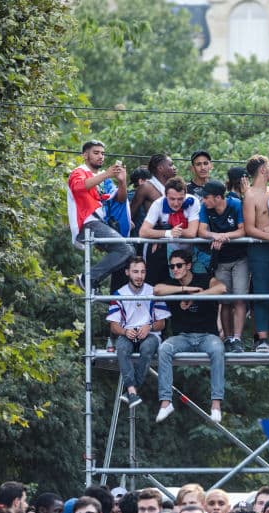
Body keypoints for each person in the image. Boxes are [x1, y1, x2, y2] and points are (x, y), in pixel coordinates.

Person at [153, 249, 227, 424]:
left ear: (188, 266)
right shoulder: (172, 284)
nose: (175, 269)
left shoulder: (203, 279)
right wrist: (185, 289)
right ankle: (165, 402)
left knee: (218, 349)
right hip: (183, 337)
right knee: (164, 348)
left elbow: (222, 288)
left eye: (179, 265)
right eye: (172, 266)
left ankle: (216, 404)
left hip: (207, 336)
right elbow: (157, 290)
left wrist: (197, 296)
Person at [66, 140, 135, 291]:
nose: (101, 157)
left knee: (130, 252)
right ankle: (88, 279)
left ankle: (91, 281)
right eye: (96, 153)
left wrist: (122, 182)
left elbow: (120, 199)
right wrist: (106, 174)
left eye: (103, 153)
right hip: (87, 223)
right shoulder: (78, 171)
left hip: (100, 224)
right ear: (85, 155)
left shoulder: (105, 179)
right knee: (126, 249)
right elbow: (79, 187)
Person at [107, 257, 170, 408]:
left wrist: (149, 327)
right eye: (135, 272)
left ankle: (131, 391)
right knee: (121, 349)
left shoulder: (154, 292)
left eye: (142, 272)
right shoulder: (119, 294)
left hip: (150, 334)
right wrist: (125, 331)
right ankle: (132, 391)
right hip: (127, 334)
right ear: (127, 272)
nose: (139, 276)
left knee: (147, 348)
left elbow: (162, 323)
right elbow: (113, 326)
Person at [242, 154, 269, 353]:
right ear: (262, 170)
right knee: (261, 294)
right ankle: (261, 339)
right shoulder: (250, 195)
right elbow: (249, 229)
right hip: (260, 250)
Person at [199, 180, 248, 352]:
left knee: (241, 298)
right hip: (220, 260)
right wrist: (216, 236)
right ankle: (227, 339)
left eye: (207, 197)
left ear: (218, 197)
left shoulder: (235, 204)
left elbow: (243, 230)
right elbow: (202, 231)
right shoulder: (205, 208)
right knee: (225, 300)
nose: (204, 200)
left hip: (240, 258)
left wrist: (224, 236)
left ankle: (237, 339)